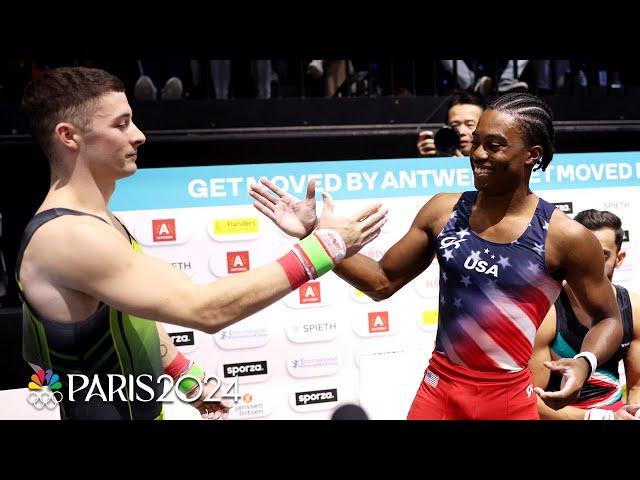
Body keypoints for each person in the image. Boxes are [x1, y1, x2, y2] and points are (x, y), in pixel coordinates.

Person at [17, 66, 387, 420]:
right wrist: (325, 246)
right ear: (69, 136)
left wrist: (185, 375)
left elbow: (131, 312)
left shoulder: (100, 223)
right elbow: (205, 310)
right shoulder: (67, 237)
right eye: (121, 124)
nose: (139, 135)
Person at [250, 92, 623, 420]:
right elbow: (382, 282)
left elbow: (608, 318)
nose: (477, 153)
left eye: (494, 145)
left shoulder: (565, 237)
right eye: (476, 142)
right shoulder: (444, 211)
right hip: (439, 392)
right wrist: (317, 234)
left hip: (509, 401)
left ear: (532, 155)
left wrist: (585, 361)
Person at [530, 209, 640, 420]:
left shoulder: (633, 308)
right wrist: (599, 418)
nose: (592, 263)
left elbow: (636, 387)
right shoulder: (547, 311)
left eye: (603, 255)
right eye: (585, 255)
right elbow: (530, 398)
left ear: (619, 258)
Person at [416, 90, 483, 158]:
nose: (461, 131)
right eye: (454, 125)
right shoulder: (439, 162)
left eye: (469, 125)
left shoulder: (493, 165)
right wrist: (424, 159)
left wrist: (463, 165)